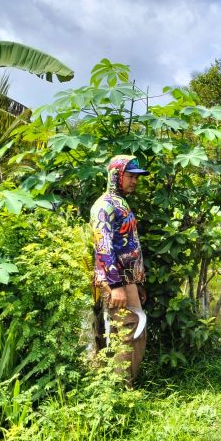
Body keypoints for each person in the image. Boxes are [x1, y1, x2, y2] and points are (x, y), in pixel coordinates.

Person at [90, 154, 149, 387]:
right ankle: (123, 388)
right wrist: (115, 286)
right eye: (130, 176)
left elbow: (127, 243)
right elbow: (103, 247)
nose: (134, 181)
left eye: (136, 177)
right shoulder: (104, 205)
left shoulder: (120, 203)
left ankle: (121, 385)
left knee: (127, 331)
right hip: (116, 280)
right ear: (116, 175)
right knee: (130, 330)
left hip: (127, 279)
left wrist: (137, 282)